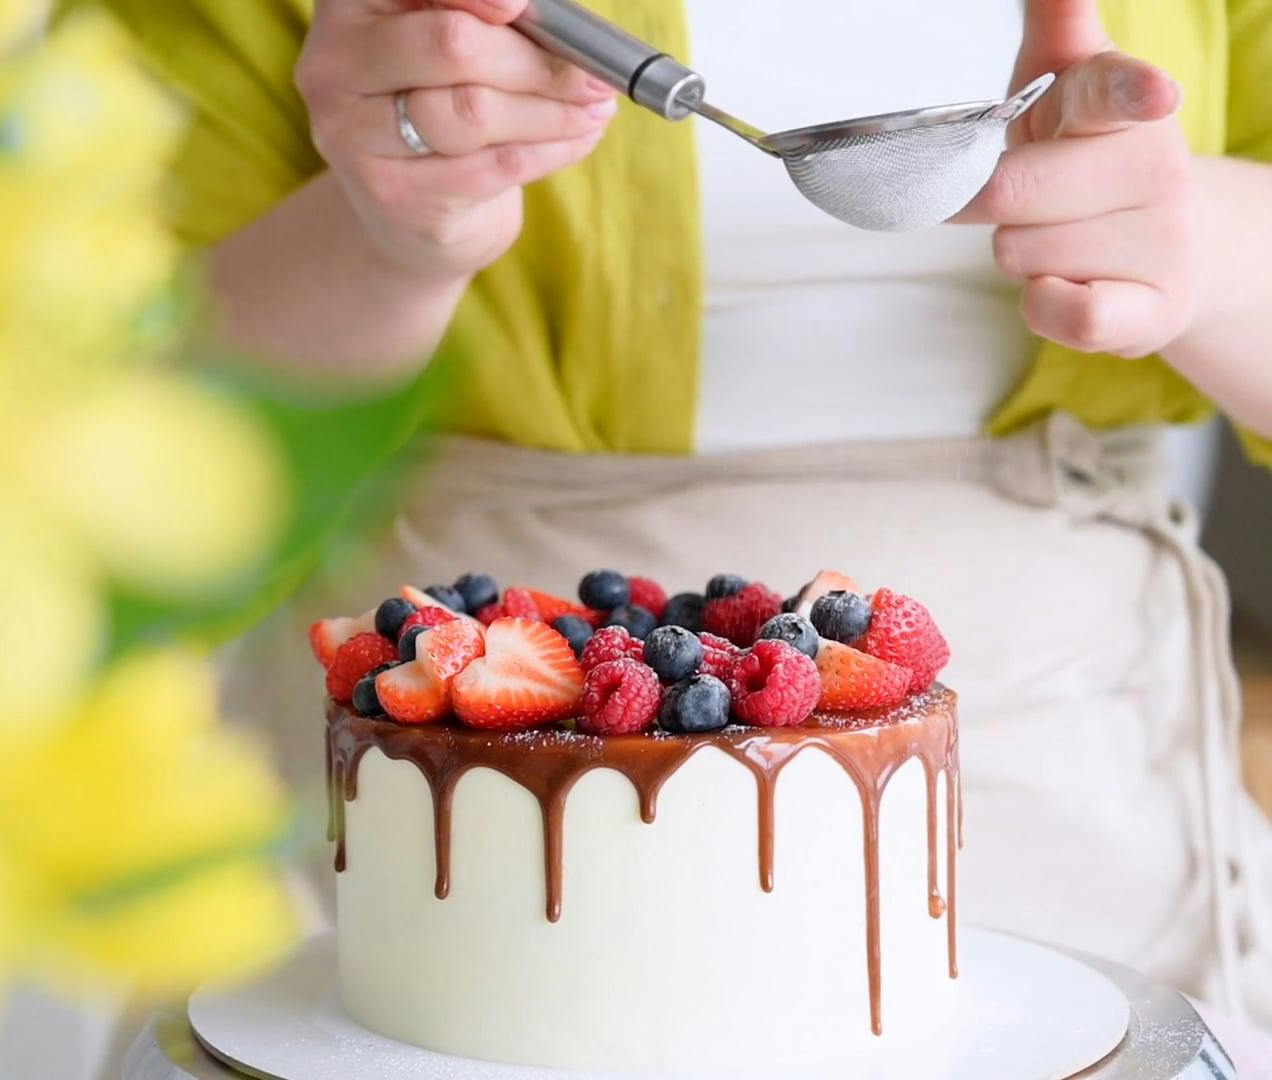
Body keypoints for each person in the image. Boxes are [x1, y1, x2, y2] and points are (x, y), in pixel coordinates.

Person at [103, 0, 1272, 1059]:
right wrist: (391, 230)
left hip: (1081, 798)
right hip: (414, 853)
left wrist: (1208, 246)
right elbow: (131, 438)